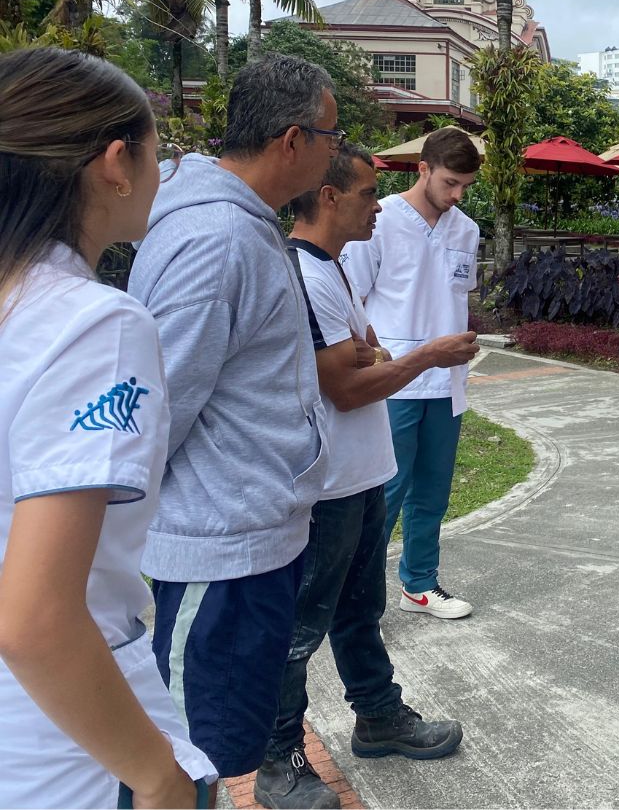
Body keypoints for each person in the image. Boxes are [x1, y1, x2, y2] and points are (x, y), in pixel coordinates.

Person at [0, 47, 217, 807]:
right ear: (116, 161)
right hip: (68, 753)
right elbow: (34, 618)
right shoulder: (92, 326)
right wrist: (159, 778)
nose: (168, 169)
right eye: (162, 148)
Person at [127, 53, 340, 780]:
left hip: (250, 541)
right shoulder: (215, 241)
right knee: (181, 764)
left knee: (212, 760)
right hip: (216, 555)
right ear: (292, 140)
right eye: (331, 137)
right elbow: (158, 414)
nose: (335, 152)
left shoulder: (244, 228)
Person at [256, 144, 477, 807]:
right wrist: (430, 353)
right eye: (362, 193)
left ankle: (378, 716)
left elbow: (365, 352)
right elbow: (348, 388)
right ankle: (276, 759)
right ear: (327, 197)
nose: (374, 204)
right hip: (327, 484)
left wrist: (376, 356)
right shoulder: (306, 274)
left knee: (360, 612)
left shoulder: (332, 271)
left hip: (359, 474)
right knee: (301, 627)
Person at [342, 127, 482, 619]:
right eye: (449, 182)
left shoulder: (466, 229)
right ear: (422, 168)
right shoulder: (378, 223)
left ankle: (419, 584)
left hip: (447, 384)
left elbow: (454, 296)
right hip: (396, 381)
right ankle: (360, 602)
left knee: (433, 491)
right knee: (385, 497)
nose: (457, 194)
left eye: (465, 185)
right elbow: (351, 300)